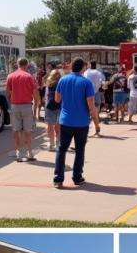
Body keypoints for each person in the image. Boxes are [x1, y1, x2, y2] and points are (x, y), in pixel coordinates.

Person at [53, 58, 96, 189]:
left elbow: (57, 98)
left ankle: (58, 178)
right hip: (81, 122)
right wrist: (95, 118)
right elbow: (90, 102)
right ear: (83, 67)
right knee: (79, 150)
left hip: (65, 120)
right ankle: (77, 177)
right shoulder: (86, 82)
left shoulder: (63, 79)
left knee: (61, 149)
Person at [5, 57, 37, 162]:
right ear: (27, 65)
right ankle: (29, 152)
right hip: (27, 105)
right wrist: (36, 105)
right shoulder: (29, 77)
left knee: (16, 130)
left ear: (18, 64)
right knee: (28, 130)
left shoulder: (10, 76)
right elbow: (35, 93)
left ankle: (18, 152)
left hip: (15, 105)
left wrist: (11, 103)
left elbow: (7, 92)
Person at [42, 67, 62, 150]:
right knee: (58, 126)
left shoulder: (49, 84)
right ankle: (58, 143)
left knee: (50, 125)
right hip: (60, 106)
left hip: (50, 106)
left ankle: (51, 144)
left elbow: (46, 96)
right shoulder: (61, 84)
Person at [85, 60, 105, 136]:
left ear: (90, 65)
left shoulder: (86, 72)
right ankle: (96, 129)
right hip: (96, 93)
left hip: (87, 94)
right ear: (96, 65)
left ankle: (87, 130)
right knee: (96, 112)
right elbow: (102, 83)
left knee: (87, 113)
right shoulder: (99, 73)